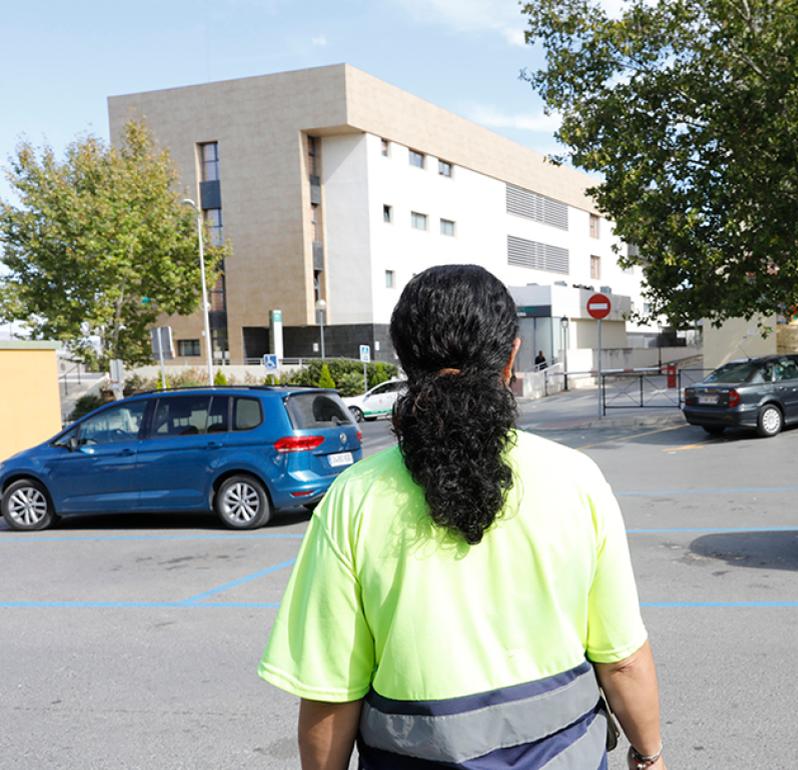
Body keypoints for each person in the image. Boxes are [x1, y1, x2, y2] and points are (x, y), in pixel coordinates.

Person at [259, 264, 666, 770]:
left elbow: (329, 693)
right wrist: (650, 758)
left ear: (405, 359)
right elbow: (622, 660)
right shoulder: (577, 480)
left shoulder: (354, 500)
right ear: (512, 355)